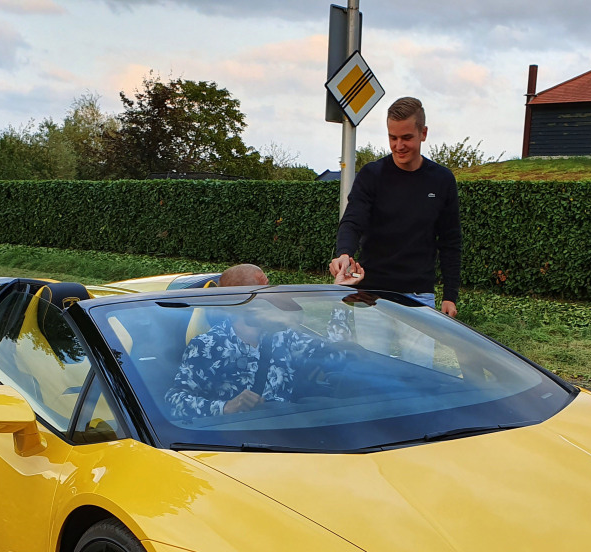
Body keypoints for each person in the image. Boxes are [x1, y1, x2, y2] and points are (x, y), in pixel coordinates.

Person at [329, 97, 462, 319]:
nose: (399, 146)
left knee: (417, 357)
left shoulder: (442, 180)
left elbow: (450, 242)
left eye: (406, 138)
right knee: (371, 355)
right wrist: (344, 253)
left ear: (423, 133)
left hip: (420, 298)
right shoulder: (371, 175)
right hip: (370, 295)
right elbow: (353, 220)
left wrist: (450, 295)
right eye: (393, 138)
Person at [164, 265, 345, 419]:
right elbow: (175, 400)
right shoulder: (208, 345)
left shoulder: (285, 336)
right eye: (262, 290)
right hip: (232, 444)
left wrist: (341, 296)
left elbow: (338, 354)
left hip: (289, 435)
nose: (271, 296)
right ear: (240, 300)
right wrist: (226, 407)